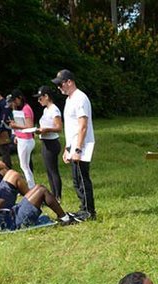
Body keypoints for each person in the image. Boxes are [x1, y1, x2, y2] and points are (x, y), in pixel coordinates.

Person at [52, 69, 96, 221]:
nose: (59, 88)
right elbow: (70, 127)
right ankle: (83, 208)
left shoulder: (80, 98)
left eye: (60, 84)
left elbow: (82, 126)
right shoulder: (69, 99)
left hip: (82, 145)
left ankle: (89, 212)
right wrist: (67, 148)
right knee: (76, 180)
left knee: (83, 179)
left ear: (69, 82)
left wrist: (77, 149)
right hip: (73, 145)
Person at [0, 183, 77, 232]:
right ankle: (65, 218)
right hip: (18, 220)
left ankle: (59, 213)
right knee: (42, 191)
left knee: (39, 187)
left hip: (14, 212)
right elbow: (0, 201)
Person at [34, 86, 63, 201]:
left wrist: (46, 130)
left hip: (52, 143)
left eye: (40, 98)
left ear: (46, 96)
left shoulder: (54, 110)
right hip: (45, 142)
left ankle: (58, 196)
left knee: (53, 170)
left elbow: (59, 127)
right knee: (48, 170)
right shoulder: (46, 110)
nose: (38, 101)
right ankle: (53, 195)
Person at [9, 89, 36, 189]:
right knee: (24, 166)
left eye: (15, 100)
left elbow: (30, 126)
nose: (14, 103)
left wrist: (15, 126)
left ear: (19, 98)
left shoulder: (26, 109)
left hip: (26, 140)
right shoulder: (22, 109)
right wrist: (17, 135)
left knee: (24, 166)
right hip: (22, 139)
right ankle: (29, 186)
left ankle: (31, 187)